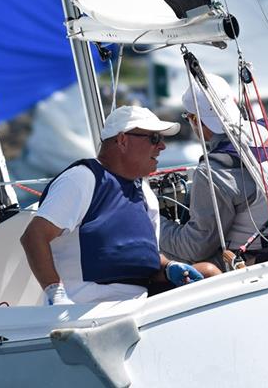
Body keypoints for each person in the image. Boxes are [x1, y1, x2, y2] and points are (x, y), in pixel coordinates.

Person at [20, 105, 203, 305]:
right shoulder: (82, 179)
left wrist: (169, 267)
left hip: (138, 306)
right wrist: (56, 293)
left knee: (209, 274)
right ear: (123, 140)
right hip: (86, 310)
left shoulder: (145, 193)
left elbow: (141, 257)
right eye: (154, 138)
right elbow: (33, 237)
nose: (162, 146)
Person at [159, 74, 268, 272]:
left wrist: (153, 222)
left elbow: (194, 247)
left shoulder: (214, 170)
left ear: (195, 119)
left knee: (165, 265)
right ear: (232, 102)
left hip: (254, 264)